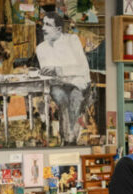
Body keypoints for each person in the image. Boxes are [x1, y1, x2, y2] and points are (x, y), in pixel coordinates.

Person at [35, 12, 91, 145]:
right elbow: (47, 74)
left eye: (48, 25)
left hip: (78, 83)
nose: (43, 28)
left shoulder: (72, 40)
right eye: (43, 24)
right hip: (57, 85)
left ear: (58, 29)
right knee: (62, 100)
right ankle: (68, 140)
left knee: (75, 99)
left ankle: (70, 139)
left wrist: (58, 70)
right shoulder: (41, 48)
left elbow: (82, 68)